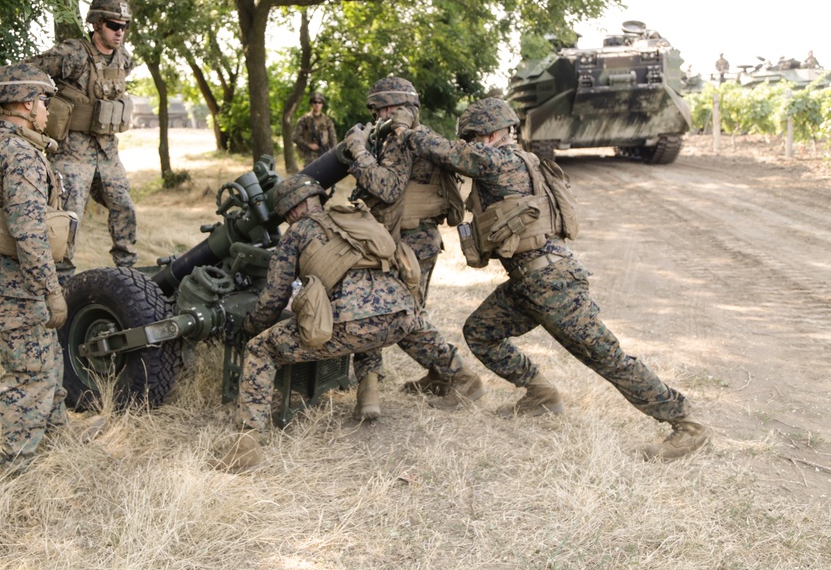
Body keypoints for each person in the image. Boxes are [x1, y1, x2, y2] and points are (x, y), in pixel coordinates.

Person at [392, 97, 710, 461]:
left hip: (553, 283)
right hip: (529, 283)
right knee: (481, 332)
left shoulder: (503, 161)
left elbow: (450, 153)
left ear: (494, 134)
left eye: (474, 137)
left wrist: (409, 131)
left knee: (605, 356)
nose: (471, 144)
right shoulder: (512, 161)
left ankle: (686, 424)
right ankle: (540, 394)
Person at [214, 174, 483, 473]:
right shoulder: (356, 218)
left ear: (291, 212)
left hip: (346, 325)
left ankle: (248, 444)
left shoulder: (298, 232)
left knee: (260, 350)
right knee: (404, 326)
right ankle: (461, 376)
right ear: (316, 198)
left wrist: (252, 326)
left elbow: (274, 297)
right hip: (398, 311)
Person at [343, 76, 472, 418]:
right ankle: (371, 390)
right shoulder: (415, 135)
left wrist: (356, 148)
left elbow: (386, 187)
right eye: (377, 109)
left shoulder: (403, 139)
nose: (379, 115)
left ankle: (460, 377)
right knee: (381, 311)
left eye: (385, 108)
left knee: (395, 318)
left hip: (406, 243)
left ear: (403, 107)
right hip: (409, 240)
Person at [0, 64, 71, 474]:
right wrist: (51, 289)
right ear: (27, 105)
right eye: (44, 101)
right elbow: (29, 232)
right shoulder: (21, 154)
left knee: (48, 357)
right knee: (30, 373)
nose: (48, 109)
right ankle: (16, 466)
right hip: (11, 283)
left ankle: (58, 436)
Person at [25, 0, 138, 285]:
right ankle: (61, 282)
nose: (120, 32)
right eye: (114, 25)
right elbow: (29, 70)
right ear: (97, 24)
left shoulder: (124, 57)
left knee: (123, 205)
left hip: (107, 149)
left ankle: (129, 273)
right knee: (69, 217)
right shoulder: (73, 54)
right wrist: (41, 106)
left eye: (125, 26)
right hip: (72, 150)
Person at [292, 91, 338, 166]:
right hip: (309, 156)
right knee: (309, 177)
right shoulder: (304, 120)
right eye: (315, 102)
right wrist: (309, 145)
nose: (317, 105)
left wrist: (333, 155)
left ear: (322, 104)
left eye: (319, 102)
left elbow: (333, 139)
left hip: (324, 154)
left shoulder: (327, 121)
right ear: (311, 103)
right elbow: (295, 137)